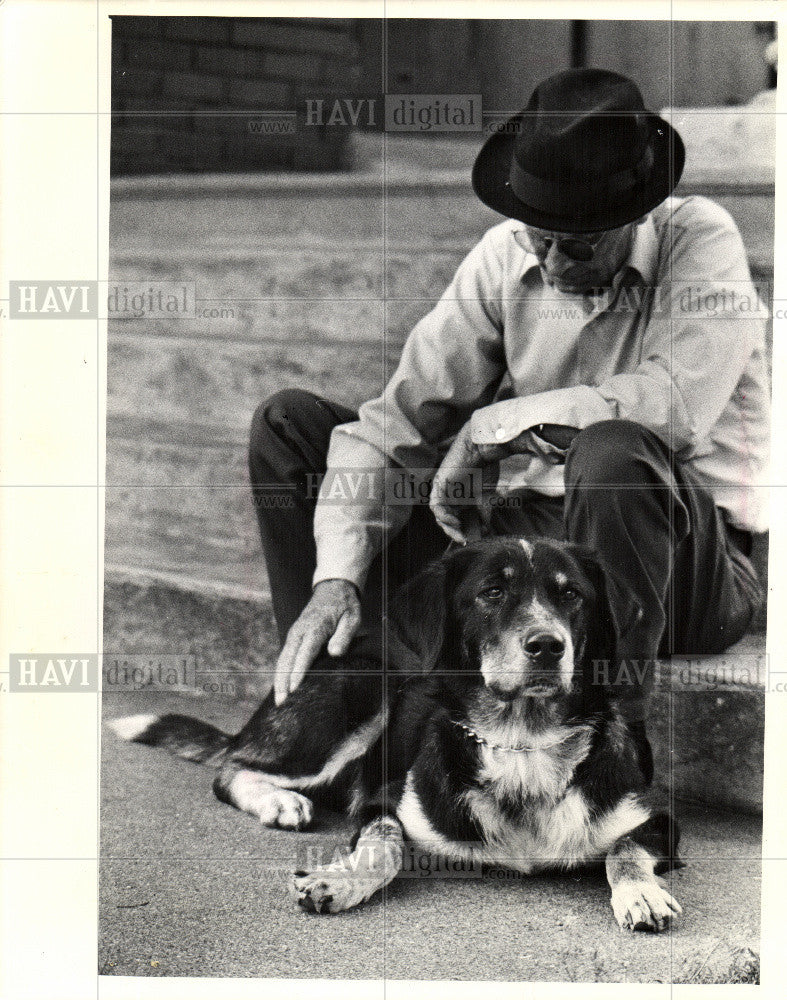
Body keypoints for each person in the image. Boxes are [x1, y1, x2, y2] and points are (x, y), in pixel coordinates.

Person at [249, 69, 768, 775]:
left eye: (577, 246)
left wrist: (494, 426)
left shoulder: (700, 238)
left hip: (682, 561)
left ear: (635, 216)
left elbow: (671, 410)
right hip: (543, 549)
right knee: (293, 428)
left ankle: (609, 754)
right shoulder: (504, 254)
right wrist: (334, 575)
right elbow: (392, 424)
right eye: (539, 239)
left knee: (613, 453)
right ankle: (327, 697)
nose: (551, 266)